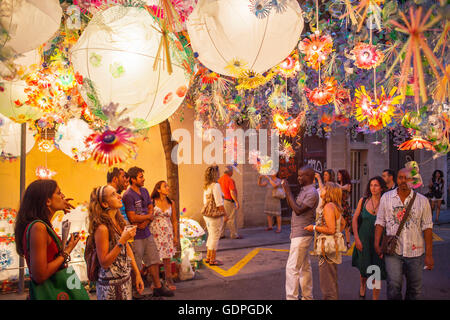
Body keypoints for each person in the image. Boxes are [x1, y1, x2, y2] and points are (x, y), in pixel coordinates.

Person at [14, 179, 87, 300]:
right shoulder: (38, 227)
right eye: (59, 193)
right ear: (47, 201)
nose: (63, 196)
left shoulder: (42, 225)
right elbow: (40, 275)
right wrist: (66, 252)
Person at [374, 168, 434, 300]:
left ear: (412, 181)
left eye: (407, 178)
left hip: (415, 253)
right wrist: (376, 243)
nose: (403, 181)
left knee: (414, 290)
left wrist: (429, 255)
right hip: (393, 252)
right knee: (393, 287)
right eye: (401, 177)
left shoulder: (422, 201)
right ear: (397, 179)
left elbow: (428, 228)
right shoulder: (386, 198)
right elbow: (380, 222)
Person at [122, 166, 174, 297]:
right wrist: (148, 217)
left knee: (154, 260)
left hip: (147, 232)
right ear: (133, 179)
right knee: (136, 263)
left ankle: (158, 287)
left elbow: (150, 207)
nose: (143, 179)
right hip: (136, 236)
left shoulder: (144, 191)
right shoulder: (128, 195)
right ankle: (135, 290)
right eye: (140, 177)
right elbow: (132, 217)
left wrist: (146, 219)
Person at [88, 185, 144, 300]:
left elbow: (126, 247)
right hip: (110, 287)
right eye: (113, 194)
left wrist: (137, 273)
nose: (119, 196)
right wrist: (123, 239)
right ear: (105, 204)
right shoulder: (102, 228)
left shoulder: (117, 221)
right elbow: (104, 262)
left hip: (124, 281)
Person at [281, 166, 319, 300]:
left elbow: (298, 210)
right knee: (304, 267)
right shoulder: (304, 190)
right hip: (298, 232)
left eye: (301, 175)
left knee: (292, 268)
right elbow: (293, 205)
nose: (298, 178)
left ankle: (291, 297)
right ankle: (308, 296)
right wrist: (287, 193)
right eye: (298, 175)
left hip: (302, 234)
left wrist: (287, 190)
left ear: (309, 176)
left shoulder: (312, 192)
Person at [305, 182, 346, 300]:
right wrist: (337, 235)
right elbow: (342, 223)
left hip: (327, 248)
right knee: (331, 278)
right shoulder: (334, 206)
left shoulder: (328, 207)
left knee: (326, 281)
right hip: (332, 247)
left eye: (324, 188)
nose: (321, 189)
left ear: (329, 192)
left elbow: (331, 229)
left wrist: (313, 227)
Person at [351, 176, 388, 300]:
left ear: (382, 187)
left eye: (376, 185)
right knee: (364, 271)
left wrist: (384, 244)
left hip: (378, 242)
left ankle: (375, 297)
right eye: (371, 185)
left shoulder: (386, 202)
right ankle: (362, 287)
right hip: (363, 240)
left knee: (376, 271)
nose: (373, 188)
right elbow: (355, 219)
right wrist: (356, 238)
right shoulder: (363, 200)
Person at [150, 181, 179, 291]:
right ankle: (156, 280)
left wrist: (176, 236)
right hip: (154, 232)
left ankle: (168, 279)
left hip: (167, 233)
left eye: (168, 185)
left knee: (167, 257)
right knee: (155, 258)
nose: (168, 187)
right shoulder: (152, 201)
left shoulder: (171, 203)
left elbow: (175, 220)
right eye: (165, 186)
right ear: (158, 189)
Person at [202, 165, 226, 266]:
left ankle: (208, 257)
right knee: (215, 236)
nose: (219, 174)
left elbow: (204, 202)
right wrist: (225, 214)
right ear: (215, 174)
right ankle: (213, 259)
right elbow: (219, 203)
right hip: (215, 216)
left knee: (211, 235)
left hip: (207, 215)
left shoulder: (206, 186)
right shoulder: (216, 185)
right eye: (218, 172)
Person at [219, 166, 242, 239]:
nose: (232, 173)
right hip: (229, 201)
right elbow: (232, 192)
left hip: (222, 201)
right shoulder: (229, 180)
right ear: (230, 172)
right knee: (231, 218)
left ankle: (221, 234)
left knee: (224, 218)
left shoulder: (220, 179)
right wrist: (236, 201)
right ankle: (234, 234)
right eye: (232, 171)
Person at [337, 169, 352, 248]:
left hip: (345, 207)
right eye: (338, 175)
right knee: (338, 224)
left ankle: (348, 242)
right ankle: (338, 240)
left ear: (343, 175)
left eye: (339, 175)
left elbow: (343, 188)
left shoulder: (348, 185)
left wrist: (335, 185)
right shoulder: (338, 184)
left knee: (346, 226)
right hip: (338, 206)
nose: (338, 176)